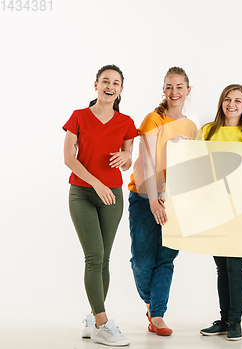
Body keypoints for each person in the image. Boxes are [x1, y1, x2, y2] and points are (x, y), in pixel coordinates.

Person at [63, 64, 137, 346]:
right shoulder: (79, 117)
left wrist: (125, 159)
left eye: (116, 82)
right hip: (83, 193)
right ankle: (103, 324)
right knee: (94, 256)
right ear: (96, 85)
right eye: (105, 81)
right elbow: (69, 160)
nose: (110, 86)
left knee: (104, 258)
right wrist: (97, 183)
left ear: (120, 90)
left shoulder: (126, 122)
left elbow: (128, 157)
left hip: (113, 196)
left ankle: (94, 319)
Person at [127, 67, 198, 336]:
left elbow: (194, 164)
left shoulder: (192, 127)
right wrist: (155, 199)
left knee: (166, 258)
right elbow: (147, 161)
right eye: (169, 86)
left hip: (174, 198)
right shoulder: (152, 119)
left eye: (179, 87)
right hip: (145, 196)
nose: (174, 92)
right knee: (142, 261)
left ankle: (157, 315)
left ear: (188, 90)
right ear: (163, 90)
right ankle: (150, 302)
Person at [198, 84, 242, 341]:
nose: (232, 104)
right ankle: (224, 319)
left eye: (238, 100)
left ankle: (235, 321)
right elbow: (196, 162)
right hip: (214, 207)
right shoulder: (207, 131)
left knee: (235, 265)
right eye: (227, 99)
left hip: (240, 207)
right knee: (221, 266)